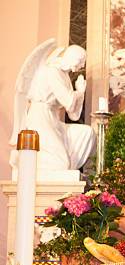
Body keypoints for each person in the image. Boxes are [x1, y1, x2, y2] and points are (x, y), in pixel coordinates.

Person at [10, 44, 95, 172]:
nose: (82, 66)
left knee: (86, 133)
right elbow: (69, 101)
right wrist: (79, 92)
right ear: (73, 58)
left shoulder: (64, 76)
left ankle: (67, 166)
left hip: (53, 119)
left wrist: (80, 94)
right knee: (61, 163)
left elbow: (73, 115)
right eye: (81, 62)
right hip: (40, 118)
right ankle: (26, 163)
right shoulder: (52, 71)